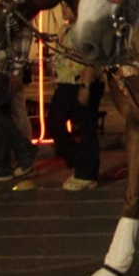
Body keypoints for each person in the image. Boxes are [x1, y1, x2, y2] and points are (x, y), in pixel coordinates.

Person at [48, 18, 107, 191]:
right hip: (65, 82)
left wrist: (86, 85)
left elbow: (93, 57)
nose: (65, 8)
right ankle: (81, 160)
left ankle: (87, 174)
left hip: (84, 83)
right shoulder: (64, 29)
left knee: (86, 126)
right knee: (54, 122)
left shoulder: (89, 26)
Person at [0, 25, 38, 182]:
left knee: (2, 115)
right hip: (2, 67)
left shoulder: (9, 6)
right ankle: (5, 161)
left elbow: (24, 31)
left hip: (1, 67)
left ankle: (21, 150)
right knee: (1, 115)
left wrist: (18, 69)